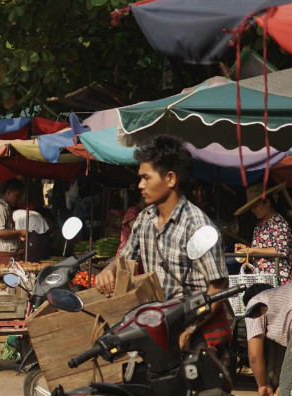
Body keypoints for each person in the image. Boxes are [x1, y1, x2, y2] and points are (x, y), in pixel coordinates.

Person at [95, 134, 230, 351]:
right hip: (159, 327)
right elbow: (124, 257)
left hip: (195, 333)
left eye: (146, 178)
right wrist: (109, 270)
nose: (140, 185)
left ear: (170, 179)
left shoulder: (197, 226)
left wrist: (190, 330)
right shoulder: (144, 219)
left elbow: (219, 287)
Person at [234, 184, 292, 285]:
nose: (253, 210)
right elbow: (259, 252)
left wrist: (251, 250)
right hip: (261, 280)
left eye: (255, 206)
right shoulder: (259, 226)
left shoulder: (279, 222)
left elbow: (281, 251)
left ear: (267, 203)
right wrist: (246, 251)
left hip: (279, 281)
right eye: (251, 207)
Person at [0, 179, 28, 264]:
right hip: (5, 256)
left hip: (13, 254)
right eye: (16, 196)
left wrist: (17, 237)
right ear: (9, 192)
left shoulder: (7, 208)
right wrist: (20, 233)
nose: (18, 200)